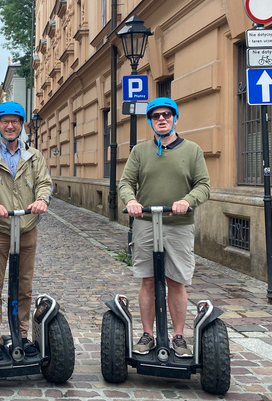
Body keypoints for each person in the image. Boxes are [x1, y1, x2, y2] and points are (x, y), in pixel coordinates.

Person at [118, 97, 210, 358]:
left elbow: (203, 185)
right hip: (146, 223)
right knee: (147, 280)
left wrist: (187, 201)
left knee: (176, 281)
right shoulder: (140, 152)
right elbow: (126, 183)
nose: (161, 119)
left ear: (175, 119)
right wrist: (132, 200)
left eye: (166, 115)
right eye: (156, 116)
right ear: (150, 121)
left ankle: (178, 336)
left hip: (178, 225)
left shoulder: (192, 150)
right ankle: (147, 334)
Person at [0, 101, 52, 360]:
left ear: (22, 125)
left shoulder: (34, 155)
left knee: (24, 286)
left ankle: (23, 334)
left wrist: (42, 200)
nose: (10, 126)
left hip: (27, 228)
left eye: (15, 121)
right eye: (4, 121)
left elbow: (45, 183)